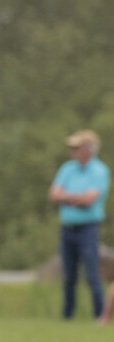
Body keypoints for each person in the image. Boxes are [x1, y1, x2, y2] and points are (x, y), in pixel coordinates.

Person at [48, 129, 110, 320]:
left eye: (77, 147)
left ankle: (100, 315)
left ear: (89, 149)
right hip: (68, 228)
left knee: (92, 274)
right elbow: (53, 195)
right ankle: (68, 316)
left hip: (88, 228)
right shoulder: (67, 168)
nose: (73, 151)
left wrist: (66, 197)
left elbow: (90, 200)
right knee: (69, 276)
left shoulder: (100, 171)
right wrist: (76, 198)